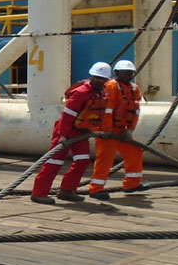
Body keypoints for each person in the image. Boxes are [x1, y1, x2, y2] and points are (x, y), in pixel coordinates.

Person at [31, 62, 111, 205]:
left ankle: (67, 190)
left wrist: (98, 131)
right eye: (96, 77)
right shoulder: (80, 93)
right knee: (54, 162)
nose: (99, 80)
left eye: (102, 79)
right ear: (92, 76)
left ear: (107, 80)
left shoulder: (101, 94)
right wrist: (63, 135)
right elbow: (67, 115)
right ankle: (39, 193)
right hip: (66, 130)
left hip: (81, 132)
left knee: (83, 161)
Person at [88, 60, 144, 199]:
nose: (129, 75)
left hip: (122, 130)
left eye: (131, 73)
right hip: (107, 130)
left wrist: (130, 130)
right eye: (126, 72)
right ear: (117, 73)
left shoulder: (135, 89)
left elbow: (135, 111)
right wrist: (106, 130)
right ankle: (96, 189)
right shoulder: (111, 86)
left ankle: (132, 184)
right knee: (106, 157)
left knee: (134, 152)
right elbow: (107, 110)